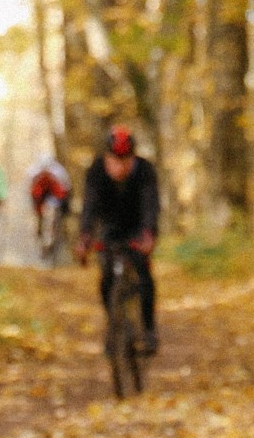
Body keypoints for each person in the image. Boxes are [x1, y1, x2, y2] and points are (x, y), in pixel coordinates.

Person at [79, 125, 161, 353]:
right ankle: (114, 324)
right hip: (110, 228)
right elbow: (89, 205)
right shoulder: (96, 171)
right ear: (107, 157)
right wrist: (85, 236)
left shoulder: (145, 170)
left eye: (125, 160)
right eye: (115, 160)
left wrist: (149, 233)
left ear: (133, 157)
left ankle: (148, 328)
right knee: (106, 277)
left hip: (138, 228)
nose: (120, 166)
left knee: (143, 276)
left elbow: (151, 204)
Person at [28, 156, 72, 263]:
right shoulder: (35, 175)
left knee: (51, 218)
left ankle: (49, 243)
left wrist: (62, 206)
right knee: (43, 219)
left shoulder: (58, 175)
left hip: (54, 200)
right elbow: (35, 194)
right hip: (41, 200)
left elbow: (62, 193)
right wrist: (38, 207)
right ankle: (43, 238)